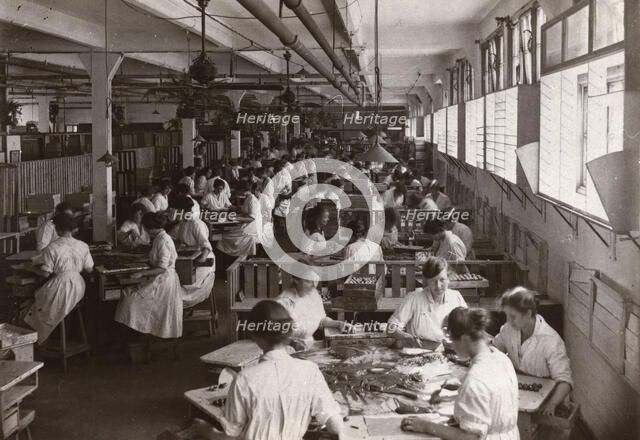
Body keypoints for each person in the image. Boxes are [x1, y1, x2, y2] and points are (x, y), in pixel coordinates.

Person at [193, 300, 344, 439]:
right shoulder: (310, 371)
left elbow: (231, 436)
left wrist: (209, 432)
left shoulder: (244, 379)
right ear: (289, 334)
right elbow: (334, 424)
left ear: (255, 336)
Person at [402, 307, 519, 440]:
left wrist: (426, 426)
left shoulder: (475, 379)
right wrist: (452, 398)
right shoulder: (501, 358)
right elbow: (492, 399)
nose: (452, 346)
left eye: (452, 340)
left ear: (464, 339)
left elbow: (470, 438)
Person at [493, 287, 573, 417]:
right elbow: (495, 350)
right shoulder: (509, 329)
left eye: (513, 316)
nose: (508, 321)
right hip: (522, 394)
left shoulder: (550, 340)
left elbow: (565, 382)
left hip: (549, 400)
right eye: (507, 315)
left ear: (528, 313)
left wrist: (551, 405)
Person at [25, 213, 94, 344]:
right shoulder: (83, 245)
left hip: (62, 284)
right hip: (79, 285)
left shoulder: (52, 247)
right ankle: (58, 338)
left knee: (38, 303)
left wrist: (29, 268)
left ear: (58, 230)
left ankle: (43, 341)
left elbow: (46, 274)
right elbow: (89, 269)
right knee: (52, 304)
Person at [115, 212, 186, 338]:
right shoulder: (159, 238)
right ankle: (138, 333)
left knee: (129, 301)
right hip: (161, 279)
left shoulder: (163, 240)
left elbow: (162, 268)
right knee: (128, 294)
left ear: (150, 229)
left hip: (164, 282)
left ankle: (135, 336)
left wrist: (141, 273)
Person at [387, 257, 467, 350]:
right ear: (427, 281)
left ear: (449, 278)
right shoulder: (414, 298)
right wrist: (406, 337)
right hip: (419, 353)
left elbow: (468, 326)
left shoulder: (456, 297)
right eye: (433, 281)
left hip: (448, 353)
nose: (438, 286)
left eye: (442, 280)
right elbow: (390, 328)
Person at [276, 270, 346, 350]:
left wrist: (338, 324)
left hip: (309, 346)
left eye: (314, 281)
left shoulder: (314, 295)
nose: (313, 285)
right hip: (286, 350)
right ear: (296, 280)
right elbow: (273, 333)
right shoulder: (285, 301)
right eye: (308, 281)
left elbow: (321, 321)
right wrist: (293, 343)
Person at [170, 196, 216, 306]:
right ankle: (175, 307)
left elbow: (206, 247)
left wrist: (196, 263)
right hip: (190, 259)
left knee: (178, 287)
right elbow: (173, 237)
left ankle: (177, 306)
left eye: (176, 210)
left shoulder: (196, 224)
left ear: (181, 210)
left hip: (203, 263)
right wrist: (180, 245)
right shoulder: (183, 223)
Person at [216, 182, 262, 257]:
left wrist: (236, 218)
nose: (242, 194)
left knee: (224, 236)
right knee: (228, 231)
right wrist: (238, 214)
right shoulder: (250, 198)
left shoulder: (252, 199)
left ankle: (227, 257)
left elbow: (251, 218)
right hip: (248, 226)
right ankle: (228, 257)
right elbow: (245, 212)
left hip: (251, 228)